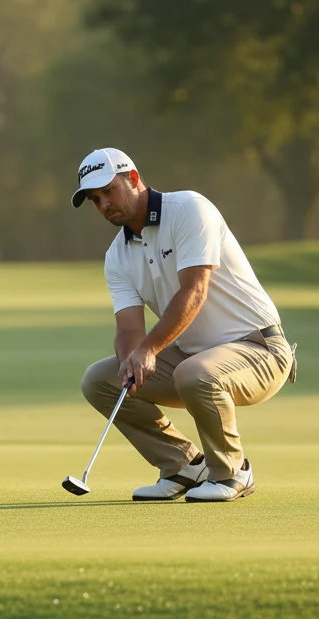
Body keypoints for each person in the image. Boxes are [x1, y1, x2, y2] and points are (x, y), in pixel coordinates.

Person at [73, 148, 296, 502]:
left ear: (132, 179)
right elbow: (129, 328)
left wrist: (149, 349)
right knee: (100, 380)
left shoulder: (189, 209)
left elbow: (195, 291)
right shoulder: (117, 255)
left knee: (195, 372)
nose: (103, 205)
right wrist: (131, 356)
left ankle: (233, 472)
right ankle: (184, 466)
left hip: (259, 349)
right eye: (95, 200)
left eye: (108, 192)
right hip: (192, 359)